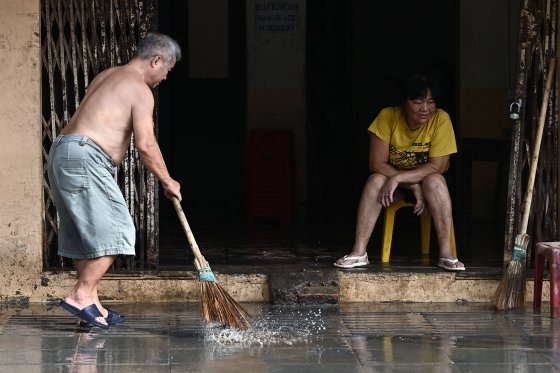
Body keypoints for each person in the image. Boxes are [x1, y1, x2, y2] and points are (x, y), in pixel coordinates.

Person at [47, 32, 182, 328]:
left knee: (88, 237)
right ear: (156, 60)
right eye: (167, 70)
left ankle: (92, 305)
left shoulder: (109, 75)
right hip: (85, 157)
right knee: (118, 229)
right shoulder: (140, 90)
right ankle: (81, 295)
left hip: (63, 152)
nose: (165, 78)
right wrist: (167, 180)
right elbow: (146, 145)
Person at [334, 74, 465, 271]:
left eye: (430, 102)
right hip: (394, 186)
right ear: (404, 102)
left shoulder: (440, 119)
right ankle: (359, 252)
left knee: (435, 180)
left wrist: (400, 177)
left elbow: (437, 166)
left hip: (430, 186)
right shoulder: (388, 116)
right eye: (418, 101)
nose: (425, 108)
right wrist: (410, 184)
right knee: (375, 180)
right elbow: (377, 163)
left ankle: (446, 253)